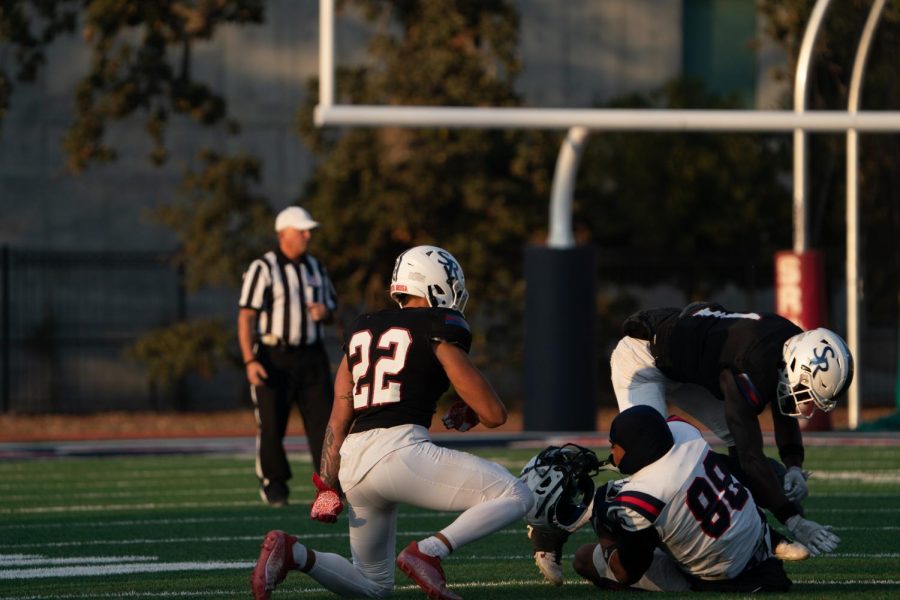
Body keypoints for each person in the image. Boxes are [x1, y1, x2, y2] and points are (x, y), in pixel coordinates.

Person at [250, 245, 534, 600]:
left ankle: (295, 554)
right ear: (435, 285)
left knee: (374, 586)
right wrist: (474, 409)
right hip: (400, 450)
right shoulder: (438, 326)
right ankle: (431, 550)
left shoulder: (361, 329)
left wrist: (327, 485)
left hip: (354, 462)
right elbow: (495, 414)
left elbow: (339, 415)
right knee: (517, 492)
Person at [608, 302, 850, 555]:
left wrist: (794, 466)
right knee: (652, 457)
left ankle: (756, 528)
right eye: (807, 394)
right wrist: (793, 520)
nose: (808, 406)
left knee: (759, 464)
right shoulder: (747, 364)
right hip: (642, 358)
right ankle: (628, 538)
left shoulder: (789, 345)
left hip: (684, 362)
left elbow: (783, 406)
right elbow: (749, 455)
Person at [568, 405, 794, 592]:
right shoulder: (686, 438)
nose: (612, 454)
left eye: (614, 446)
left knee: (584, 557)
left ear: (636, 448)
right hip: (756, 543)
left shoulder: (645, 495)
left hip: (721, 577)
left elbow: (626, 572)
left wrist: (602, 526)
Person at [238, 206, 338, 507]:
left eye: (309, 230)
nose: (308, 235)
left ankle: (329, 484)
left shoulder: (316, 268)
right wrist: (249, 360)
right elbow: (246, 316)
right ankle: (274, 484)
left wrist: (326, 312)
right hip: (274, 355)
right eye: (302, 230)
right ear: (284, 234)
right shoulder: (264, 267)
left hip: (312, 356)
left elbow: (334, 309)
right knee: (271, 424)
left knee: (325, 426)